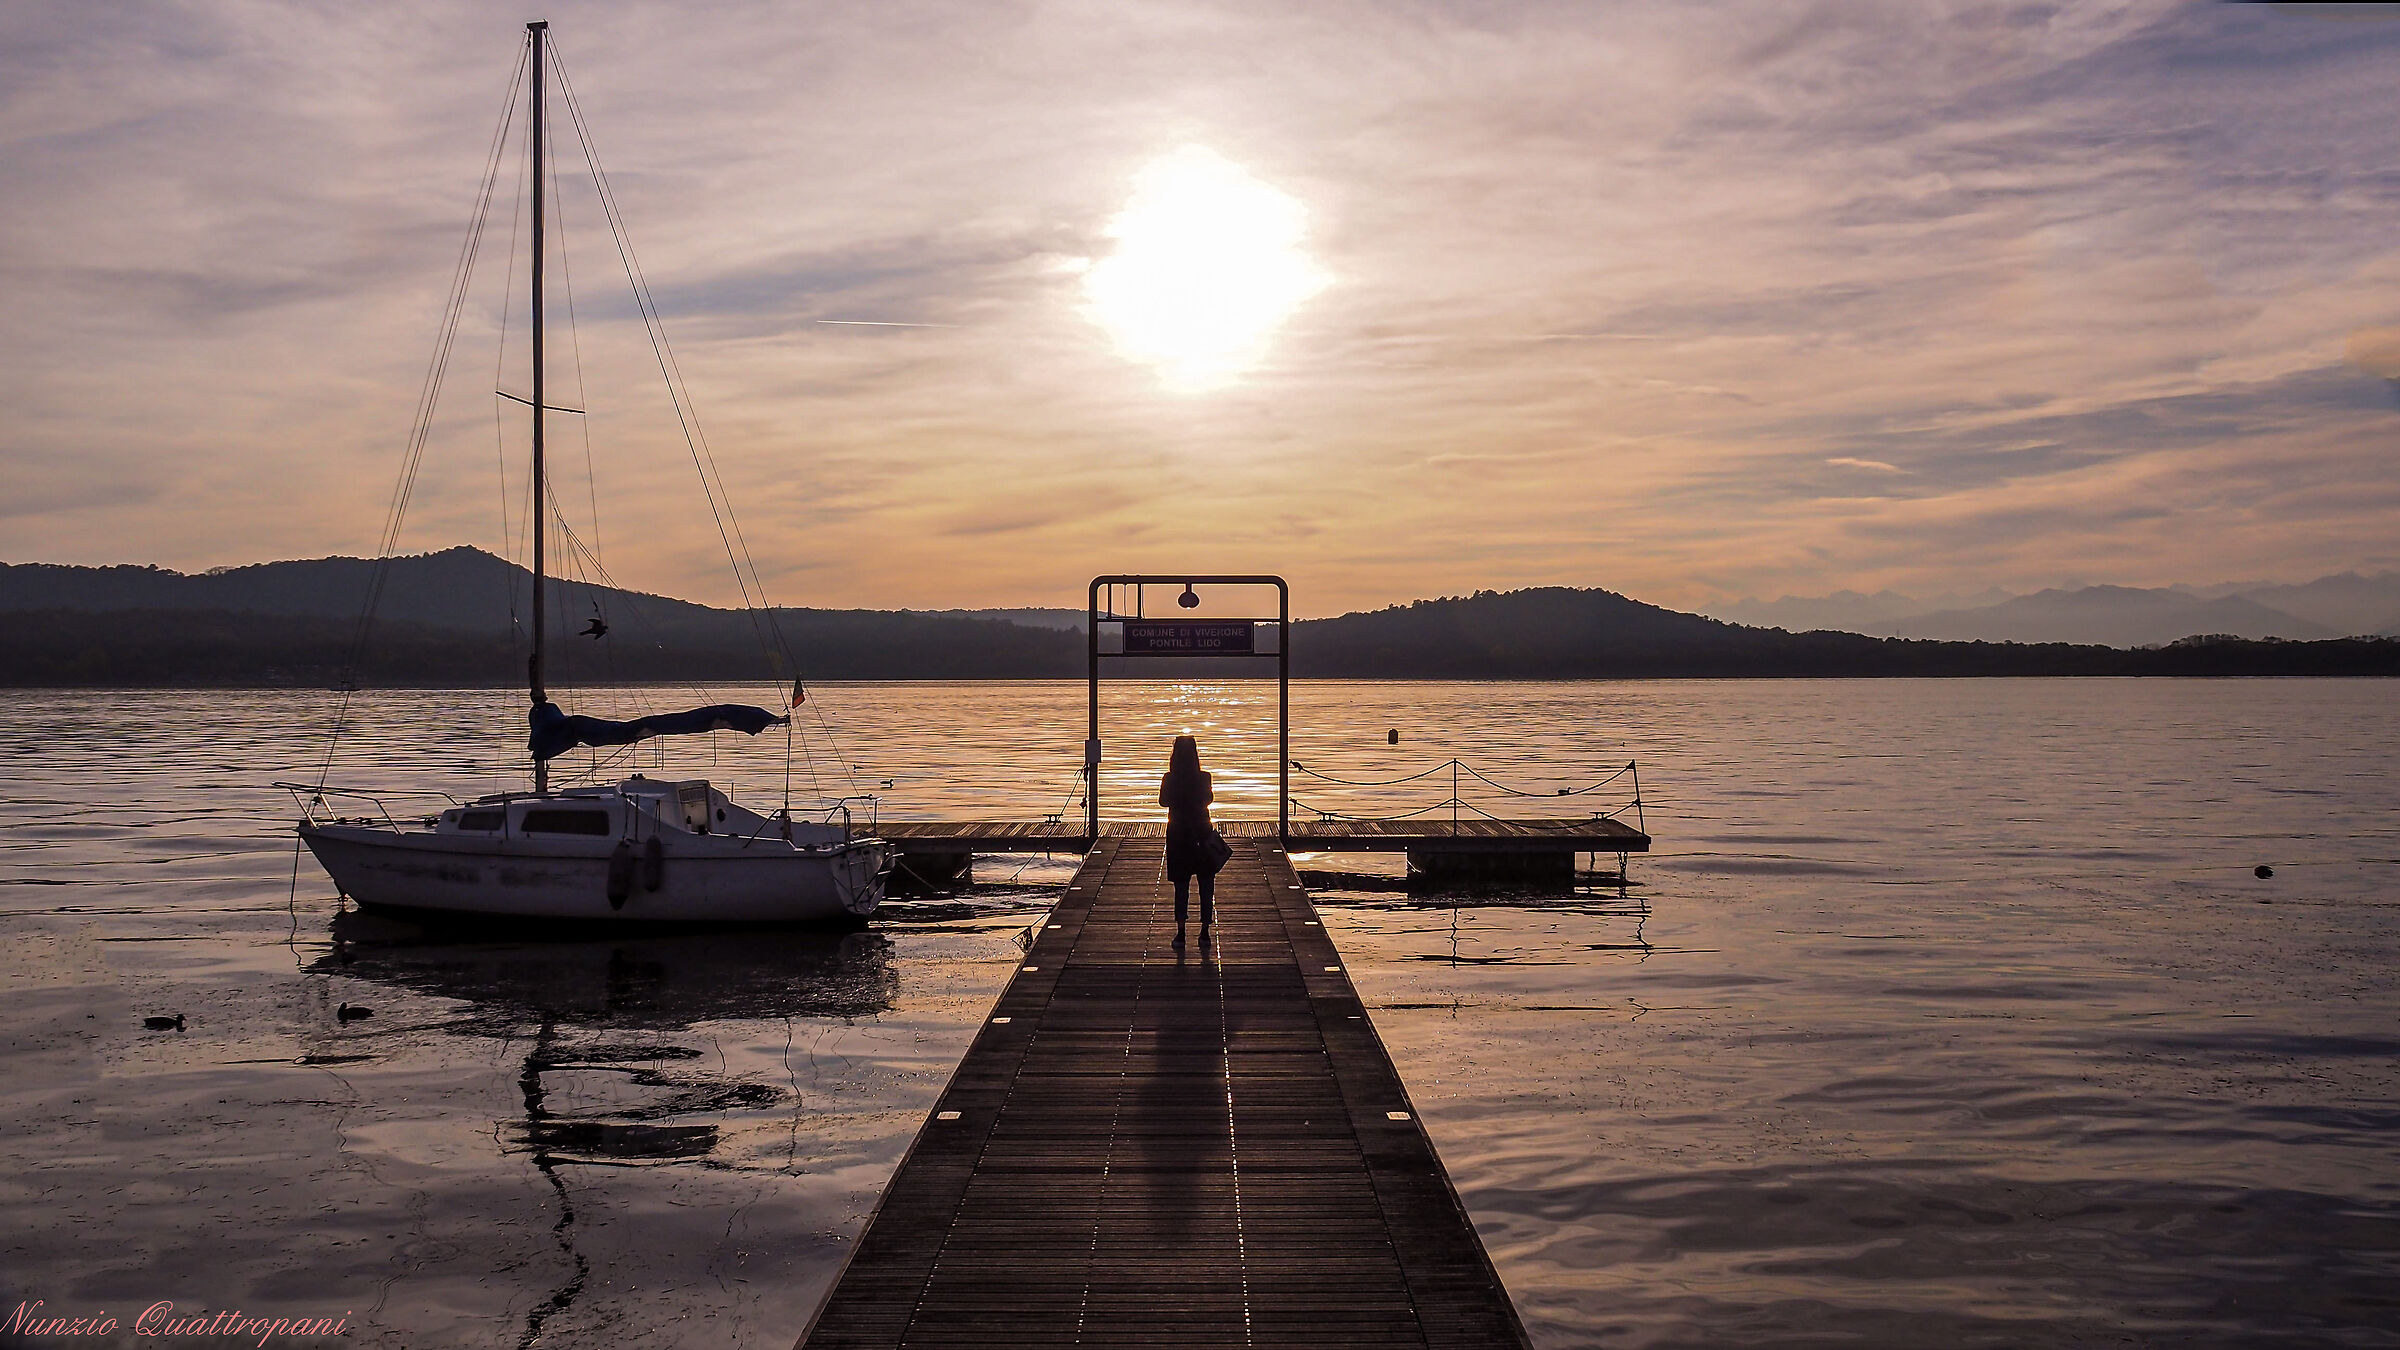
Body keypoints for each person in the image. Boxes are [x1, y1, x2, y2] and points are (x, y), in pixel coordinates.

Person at [1159, 734, 1218, 947]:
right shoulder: (1204, 777)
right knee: (1206, 883)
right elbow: (1209, 799)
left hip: (1178, 834)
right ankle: (1205, 932)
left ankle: (1181, 932)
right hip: (1202, 832)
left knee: (1181, 885)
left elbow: (1163, 801)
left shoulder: (1170, 778)